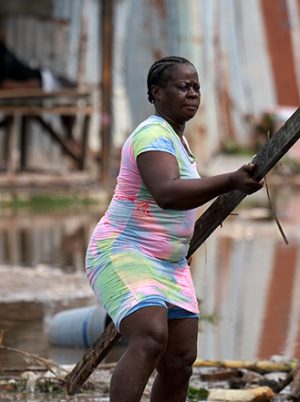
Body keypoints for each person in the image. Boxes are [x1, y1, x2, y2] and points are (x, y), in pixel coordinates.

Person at [85, 56, 263, 402]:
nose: (193, 93)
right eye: (183, 87)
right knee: (151, 335)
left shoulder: (177, 140)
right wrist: (230, 180)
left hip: (169, 263)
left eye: (196, 87)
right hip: (123, 252)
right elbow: (166, 194)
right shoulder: (152, 135)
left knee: (180, 360)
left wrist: (178, 246)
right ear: (157, 93)